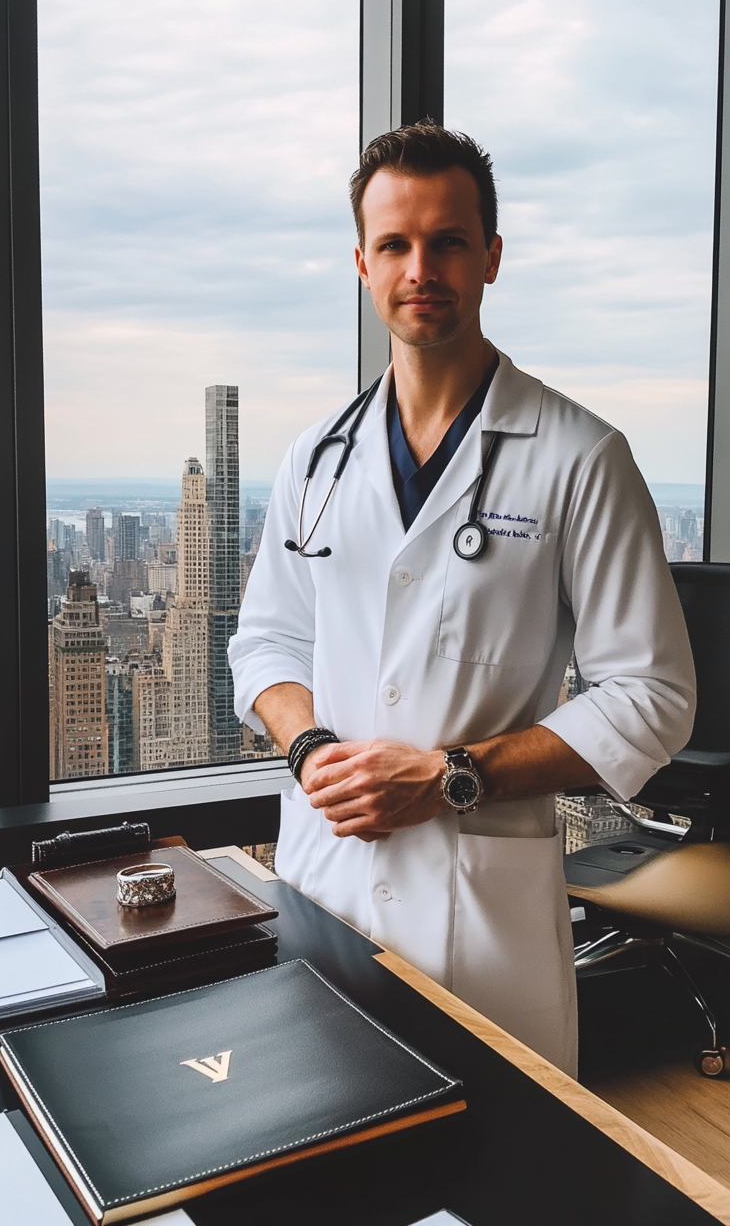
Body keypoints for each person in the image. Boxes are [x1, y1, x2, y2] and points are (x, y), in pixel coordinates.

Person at [228, 121, 695, 1076]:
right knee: (326, 1152)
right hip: (328, 875)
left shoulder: (580, 456)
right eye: (395, 244)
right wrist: (313, 750)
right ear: (362, 263)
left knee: (499, 1174)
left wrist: (449, 777)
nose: (420, 267)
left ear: (491, 256)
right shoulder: (314, 461)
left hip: (478, 898)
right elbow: (267, 641)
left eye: (447, 240)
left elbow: (651, 696)